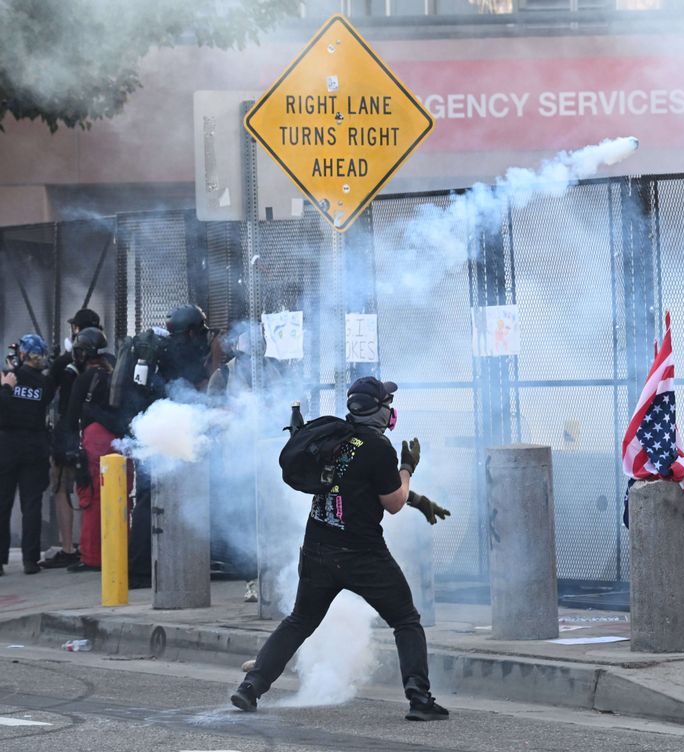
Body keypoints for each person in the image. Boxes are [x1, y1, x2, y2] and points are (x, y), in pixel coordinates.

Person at [230, 376, 451, 722]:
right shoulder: (379, 449)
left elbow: (356, 484)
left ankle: (251, 687)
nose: (392, 409)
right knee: (406, 620)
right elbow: (393, 502)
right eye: (388, 403)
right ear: (379, 411)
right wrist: (408, 468)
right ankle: (419, 698)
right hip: (362, 555)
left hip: (318, 548)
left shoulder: (334, 438)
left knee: (300, 620)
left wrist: (421, 500)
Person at [115, 304, 211, 588]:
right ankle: (140, 569)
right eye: (200, 332)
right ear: (191, 332)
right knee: (150, 498)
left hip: (145, 427)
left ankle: (144, 566)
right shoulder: (181, 353)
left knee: (148, 497)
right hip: (161, 431)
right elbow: (190, 393)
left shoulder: (159, 352)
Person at [42, 308, 103, 569]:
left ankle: (69, 547)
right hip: (96, 433)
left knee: (62, 491)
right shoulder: (108, 363)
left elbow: (46, 393)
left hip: (69, 434)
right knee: (95, 493)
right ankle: (94, 546)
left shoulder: (66, 363)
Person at [64, 327, 119, 574]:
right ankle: (116, 549)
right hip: (117, 439)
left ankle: (92, 556)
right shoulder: (114, 372)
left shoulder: (85, 378)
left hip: (94, 438)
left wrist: (65, 445)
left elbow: (71, 414)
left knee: (92, 498)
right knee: (117, 496)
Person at [0, 334, 55, 575]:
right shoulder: (44, 384)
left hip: (8, 444)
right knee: (31, 504)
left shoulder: (8, 378)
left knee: (3, 503)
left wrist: (8, 381)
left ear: (22, 354)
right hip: (35, 445)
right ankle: (30, 560)